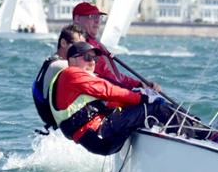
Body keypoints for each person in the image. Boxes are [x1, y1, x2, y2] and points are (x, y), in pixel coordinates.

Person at [49, 42, 194, 155]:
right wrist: (141, 98)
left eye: (94, 58)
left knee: (154, 105)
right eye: (87, 57)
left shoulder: (77, 80)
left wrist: (138, 91)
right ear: (72, 60)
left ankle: (191, 128)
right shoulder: (71, 75)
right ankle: (199, 135)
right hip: (100, 135)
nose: (92, 62)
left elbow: (114, 95)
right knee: (154, 106)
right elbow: (107, 90)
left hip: (100, 135)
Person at [72, 1, 160, 92]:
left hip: (117, 92)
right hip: (108, 97)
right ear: (77, 19)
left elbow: (116, 77)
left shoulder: (97, 44)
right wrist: (133, 91)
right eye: (92, 16)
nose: (97, 21)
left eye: (99, 17)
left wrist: (141, 85)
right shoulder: (78, 45)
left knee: (157, 98)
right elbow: (103, 78)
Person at [32, 24, 87, 131]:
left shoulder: (51, 60)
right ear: (63, 43)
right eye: (77, 46)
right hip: (62, 126)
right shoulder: (60, 65)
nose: (82, 51)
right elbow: (93, 78)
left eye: (83, 46)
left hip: (55, 126)